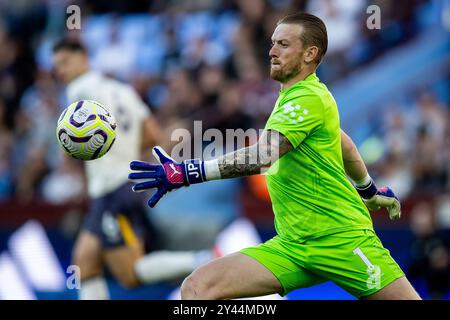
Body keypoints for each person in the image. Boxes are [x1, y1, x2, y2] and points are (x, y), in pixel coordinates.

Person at [129, 12, 421, 300]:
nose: (271, 51)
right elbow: (342, 142)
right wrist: (368, 190)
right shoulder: (293, 97)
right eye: (272, 43)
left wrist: (189, 172)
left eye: (283, 44)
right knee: (196, 288)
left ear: (310, 53)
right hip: (292, 246)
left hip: (340, 239)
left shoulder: (308, 97)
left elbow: (263, 155)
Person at [52, 38, 214, 299]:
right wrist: (122, 148)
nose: (61, 70)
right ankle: (202, 258)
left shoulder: (78, 89)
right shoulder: (123, 90)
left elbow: (70, 143)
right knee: (85, 263)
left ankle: (203, 258)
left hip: (113, 190)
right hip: (122, 186)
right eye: (57, 66)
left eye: (66, 62)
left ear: (84, 59)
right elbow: (153, 134)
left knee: (130, 273)